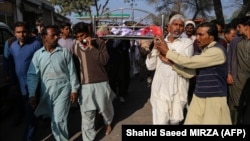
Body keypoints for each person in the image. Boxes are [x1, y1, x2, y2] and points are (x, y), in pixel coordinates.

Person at [155, 21, 232, 125]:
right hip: (199, 96)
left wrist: (167, 52)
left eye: (201, 35)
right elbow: (190, 73)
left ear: (211, 37)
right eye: (197, 34)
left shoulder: (217, 51)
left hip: (214, 99)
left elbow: (189, 62)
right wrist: (171, 64)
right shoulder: (202, 51)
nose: (197, 38)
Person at [27, 25, 80, 141]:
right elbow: (32, 75)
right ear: (44, 37)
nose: (56, 37)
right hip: (47, 92)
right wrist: (31, 94)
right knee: (53, 119)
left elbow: (72, 72)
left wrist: (74, 89)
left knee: (59, 119)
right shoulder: (38, 55)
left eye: (57, 35)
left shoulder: (64, 52)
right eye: (53, 35)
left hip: (63, 90)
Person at [146, 14, 195, 125]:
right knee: (161, 121)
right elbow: (150, 66)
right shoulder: (160, 41)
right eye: (175, 24)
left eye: (181, 25)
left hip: (178, 86)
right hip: (160, 88)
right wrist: (154, 48)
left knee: (175, 121)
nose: (177, 28)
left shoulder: (187, 43)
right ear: (169, 26)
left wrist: (166, 53)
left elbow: (185, 64)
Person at [72, 22, 115, 141]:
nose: (81, 39)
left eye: (83, 35)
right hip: (85, 85)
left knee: (105, 108)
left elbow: (104, 60)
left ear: (88, 33)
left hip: (101, 82)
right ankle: (88, 138)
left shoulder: (99, 43)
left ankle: (107, 123)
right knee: (87, 113)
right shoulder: (75, 47)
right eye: (78, 37)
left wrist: (92, 48)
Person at [4, 21, 42, 141]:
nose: (22, 34)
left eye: (24, 31)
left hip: (32, 86)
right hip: (18, 86)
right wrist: (12, 82)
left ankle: (29, 137)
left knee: (30, 113)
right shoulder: (12, 46)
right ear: (14, 33)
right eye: (18, 32)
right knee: (26, 112)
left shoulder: (36, 45)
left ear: (28, 32)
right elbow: (10, 63)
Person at [227, 16, 250, 124]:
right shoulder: (236, 41)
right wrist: (228, 73)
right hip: (238, 78)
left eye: (239, 26)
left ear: (247, 27)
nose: (237, 29)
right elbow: (229, 57)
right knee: (236, 107)